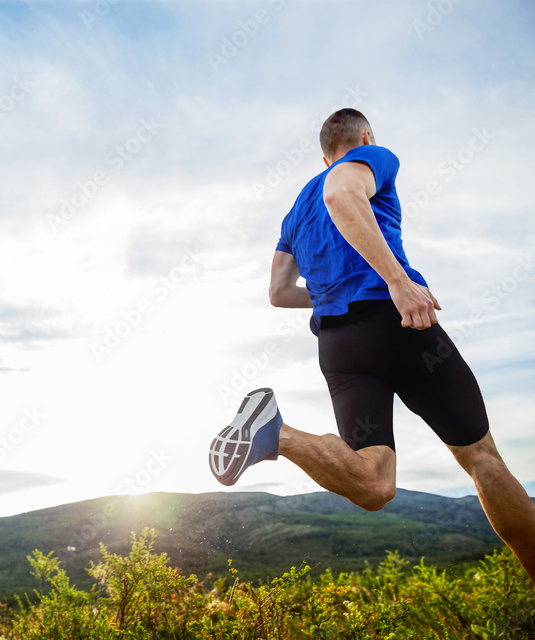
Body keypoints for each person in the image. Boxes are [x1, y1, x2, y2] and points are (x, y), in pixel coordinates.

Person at [208, 108, 535, 584]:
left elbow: (279, 293)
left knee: (375, 483)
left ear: (324, 156)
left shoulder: (296, 211)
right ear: (363, 137)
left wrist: (327, 294)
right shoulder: (372, 159)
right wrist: (398, 282)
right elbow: (342, 194)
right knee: (481, 458)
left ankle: (276, 435)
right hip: (394, 323)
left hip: (339, 347)